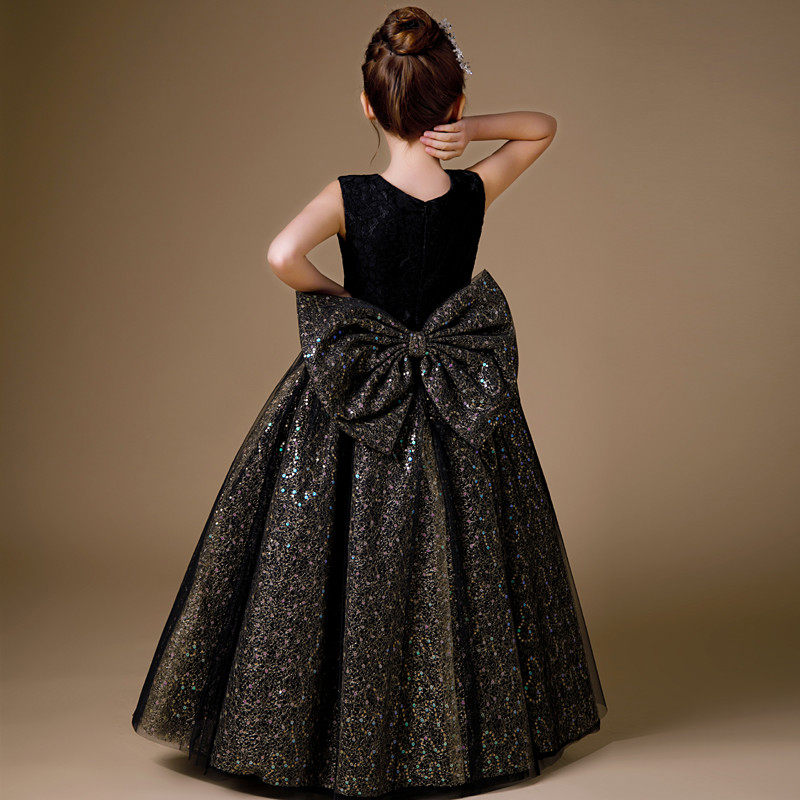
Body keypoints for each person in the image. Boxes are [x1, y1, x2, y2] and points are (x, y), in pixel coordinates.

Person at [131, 6, 607, 797]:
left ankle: (324, 737)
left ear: (366, 106)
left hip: (359, 394)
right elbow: (541, 129)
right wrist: (471, 128)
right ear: (451, 105)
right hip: (456, 403)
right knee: (461, 559)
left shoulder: (351, 195)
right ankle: (457, 737)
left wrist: (345, 306)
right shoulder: (470, 191)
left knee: (333, 558)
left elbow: (283, 254)